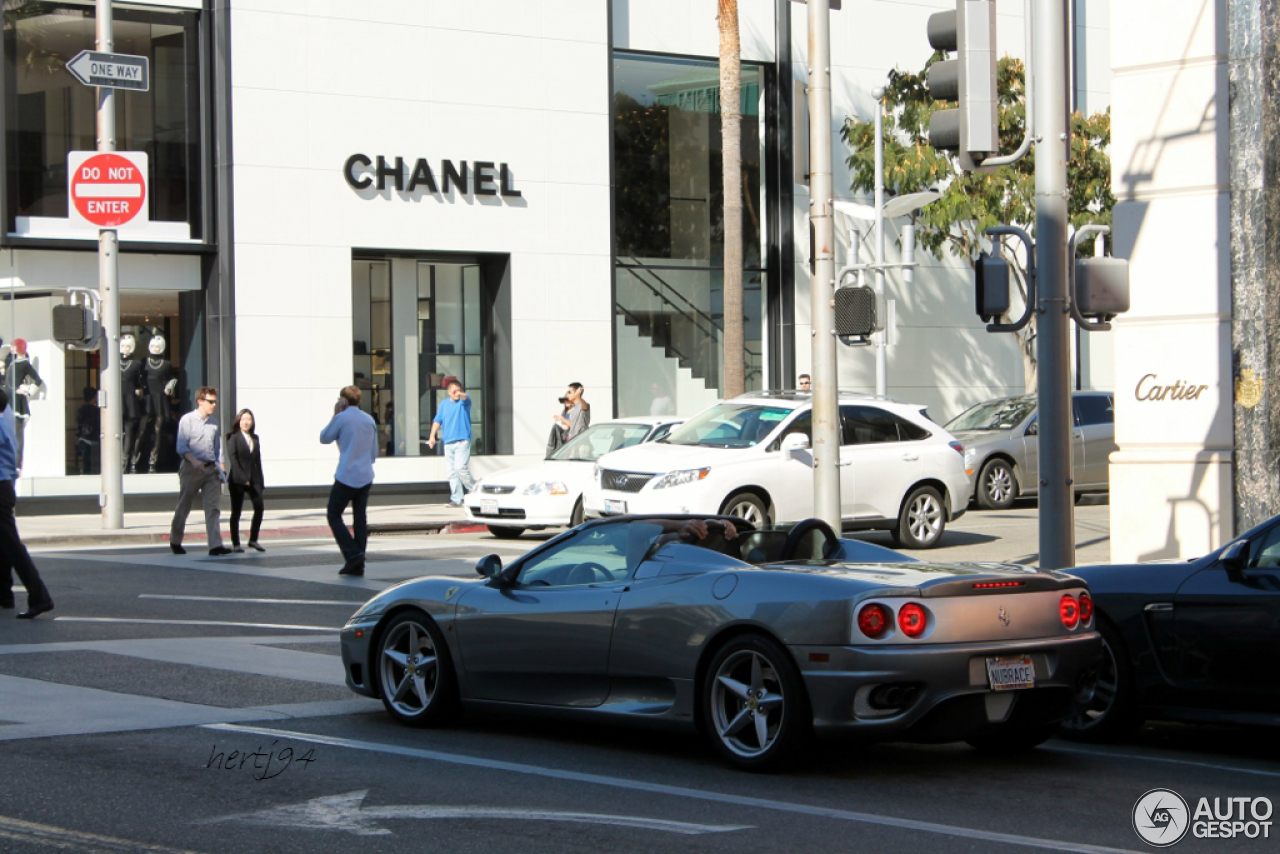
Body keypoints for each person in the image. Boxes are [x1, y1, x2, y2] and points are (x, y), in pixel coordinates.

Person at [0, 389, 53, 619]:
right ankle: (4, 594)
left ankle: (40, 596)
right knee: (4, 544)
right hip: (5, 486)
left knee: (11, 545)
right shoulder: (5, 424)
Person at [321, 386, 379, 576]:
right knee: (360, 518)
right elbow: (374, 453)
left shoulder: (341, 418)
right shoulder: (369, 420)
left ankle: (353, 554)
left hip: (346, 474)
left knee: (333, 514)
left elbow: (324, 438)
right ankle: (358, 561)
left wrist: (334, 414)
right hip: (365, 474)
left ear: (344, 401)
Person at [170, 386, 229, 556]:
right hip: (191, 468)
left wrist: (222, 470)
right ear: (200, 401)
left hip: (211, 469)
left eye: (215, 401)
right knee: (184, 505)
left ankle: (215, 545)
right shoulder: (187, 420)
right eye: (211, 401)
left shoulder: (214, 423)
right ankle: (175, 540)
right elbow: (182, 447)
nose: (214, 405)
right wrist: (195, 462)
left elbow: (218, 450)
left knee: (213, 508)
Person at [222, 408, 266, 553]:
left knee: (259, 507)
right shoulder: (232, 437)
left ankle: (253, 539)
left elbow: (258, 461)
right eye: (243, 419)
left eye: (249, 419)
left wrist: (260, 480)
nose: (246, 422)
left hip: (254, 478)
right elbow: (233, 460)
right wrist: (243, 478)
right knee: (236, 511)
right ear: (238, 421)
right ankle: (236, 543)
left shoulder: (255, 438)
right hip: (237, 480)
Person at [427, 379, 476, 506]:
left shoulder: (464, 402)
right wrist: (432, 436)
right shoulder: (443, 405)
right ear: (448, 392)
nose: (457, 393)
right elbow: (437, 421)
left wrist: (461, 395)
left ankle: (475, 490)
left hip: (462, 440)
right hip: (448, 442)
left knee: (460, 468)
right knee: (451, 472)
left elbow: (466, 398)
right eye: (454, 391)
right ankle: (456, 498)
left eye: (458, 390)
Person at [75, 386, 100, 475]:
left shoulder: (81, 409)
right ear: (94, 397)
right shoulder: (97, 410)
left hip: (84, 439)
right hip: (95, 439)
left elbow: (78, 424)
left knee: (87, 464)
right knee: (97, 465)